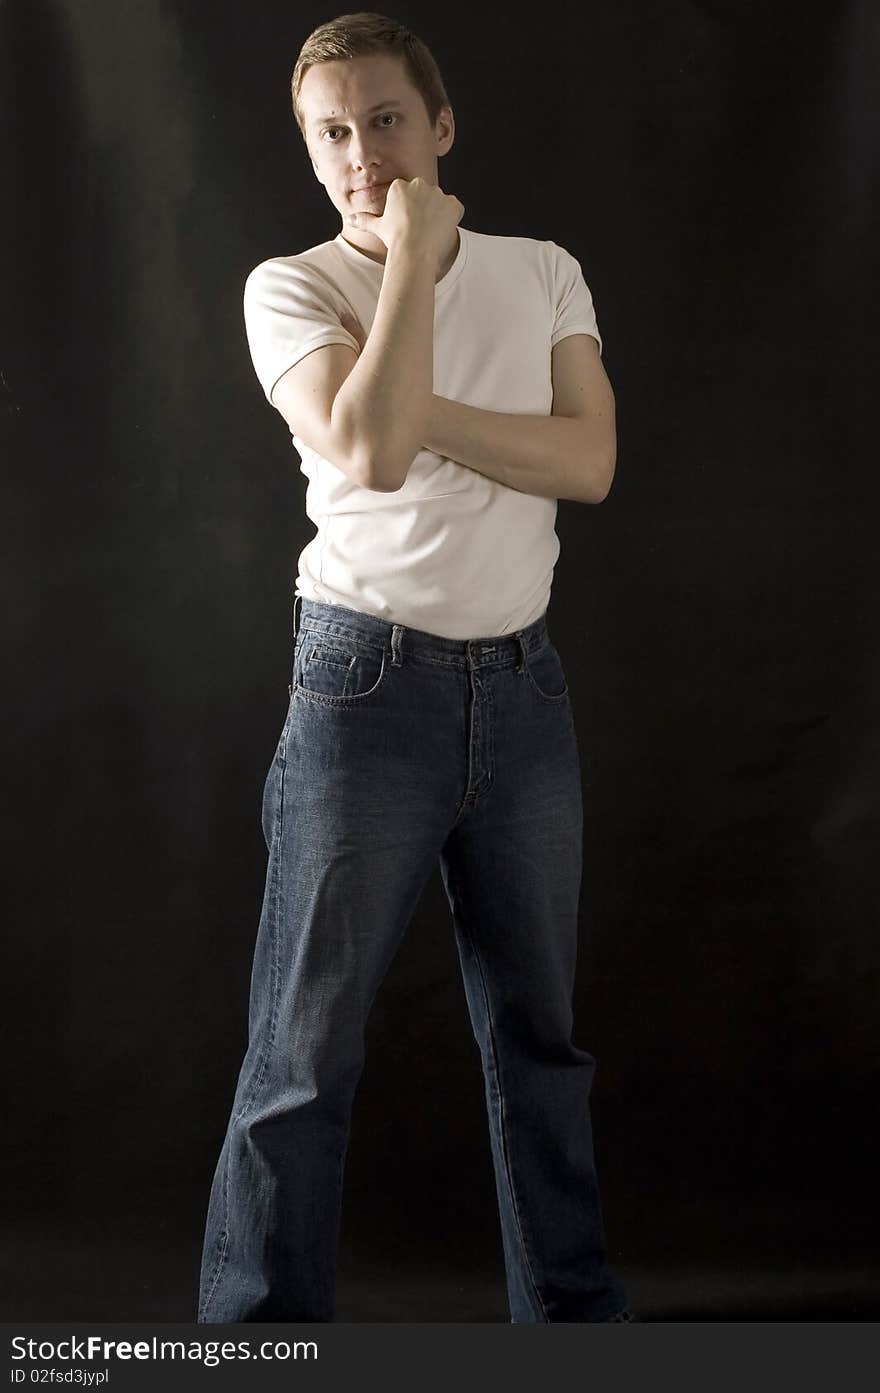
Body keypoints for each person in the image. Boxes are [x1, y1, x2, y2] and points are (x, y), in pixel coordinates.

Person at [197, 10, 636, 1324]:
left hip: (523, 694)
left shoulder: (546, 269)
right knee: (302, 1054)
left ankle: (570, 1324)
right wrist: (405, 268)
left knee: (540, 1047)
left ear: (441, 125)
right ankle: (250, 1344)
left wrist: (430, 402)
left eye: (385, 120)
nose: (361, 155)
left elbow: (590, 463)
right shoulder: (292, 287)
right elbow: (374, 460)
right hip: (362, 693)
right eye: (331, 134)